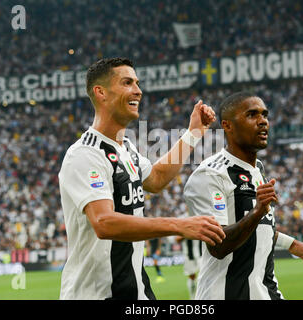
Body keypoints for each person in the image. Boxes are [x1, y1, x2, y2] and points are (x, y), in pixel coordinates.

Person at [58, 57, 225, 300]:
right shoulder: (85, 154)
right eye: (127, 83)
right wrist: (178, 225)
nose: (138, 90)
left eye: (137, 83)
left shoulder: (125, 148)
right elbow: (104, 223)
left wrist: (194, 132)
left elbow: (156, 179)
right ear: (100, 92)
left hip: (138, 293)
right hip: (95, 294)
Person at [184, 91, 303, 300]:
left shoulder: (257, 168)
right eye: (252, 115)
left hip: (266, 292)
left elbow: (257, 228)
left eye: (265, 115)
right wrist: (258, 210)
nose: (263, 122)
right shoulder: (210, 174)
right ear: (227, 125)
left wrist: (293, 245)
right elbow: (218, 246)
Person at [175, 233, 202, 299]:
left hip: (201, 255)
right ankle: (192, 298)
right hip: (189, 255)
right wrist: (187, 233)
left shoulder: (202, 222)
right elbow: (177, 239)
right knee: (191, 276)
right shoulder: (185, 223)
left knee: (203, 276)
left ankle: (202, 296)